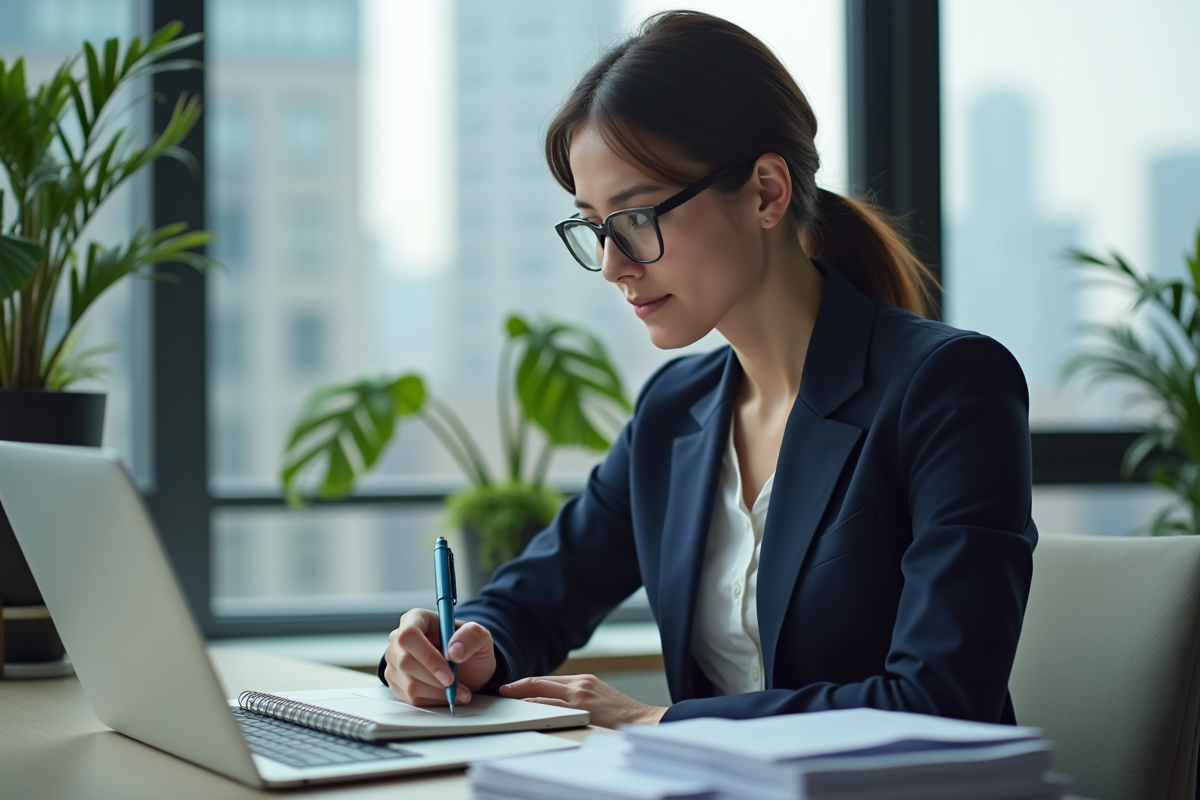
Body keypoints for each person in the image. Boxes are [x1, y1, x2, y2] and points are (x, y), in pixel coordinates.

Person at [379, 10, 1036, 729]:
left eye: (635, 220)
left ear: (765, 192)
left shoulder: (948, 387)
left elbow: (940, 700)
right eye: (594, 228)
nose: (612, 265)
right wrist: (462, 645)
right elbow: (533, 598)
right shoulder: (676, 411)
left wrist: (654, 723)